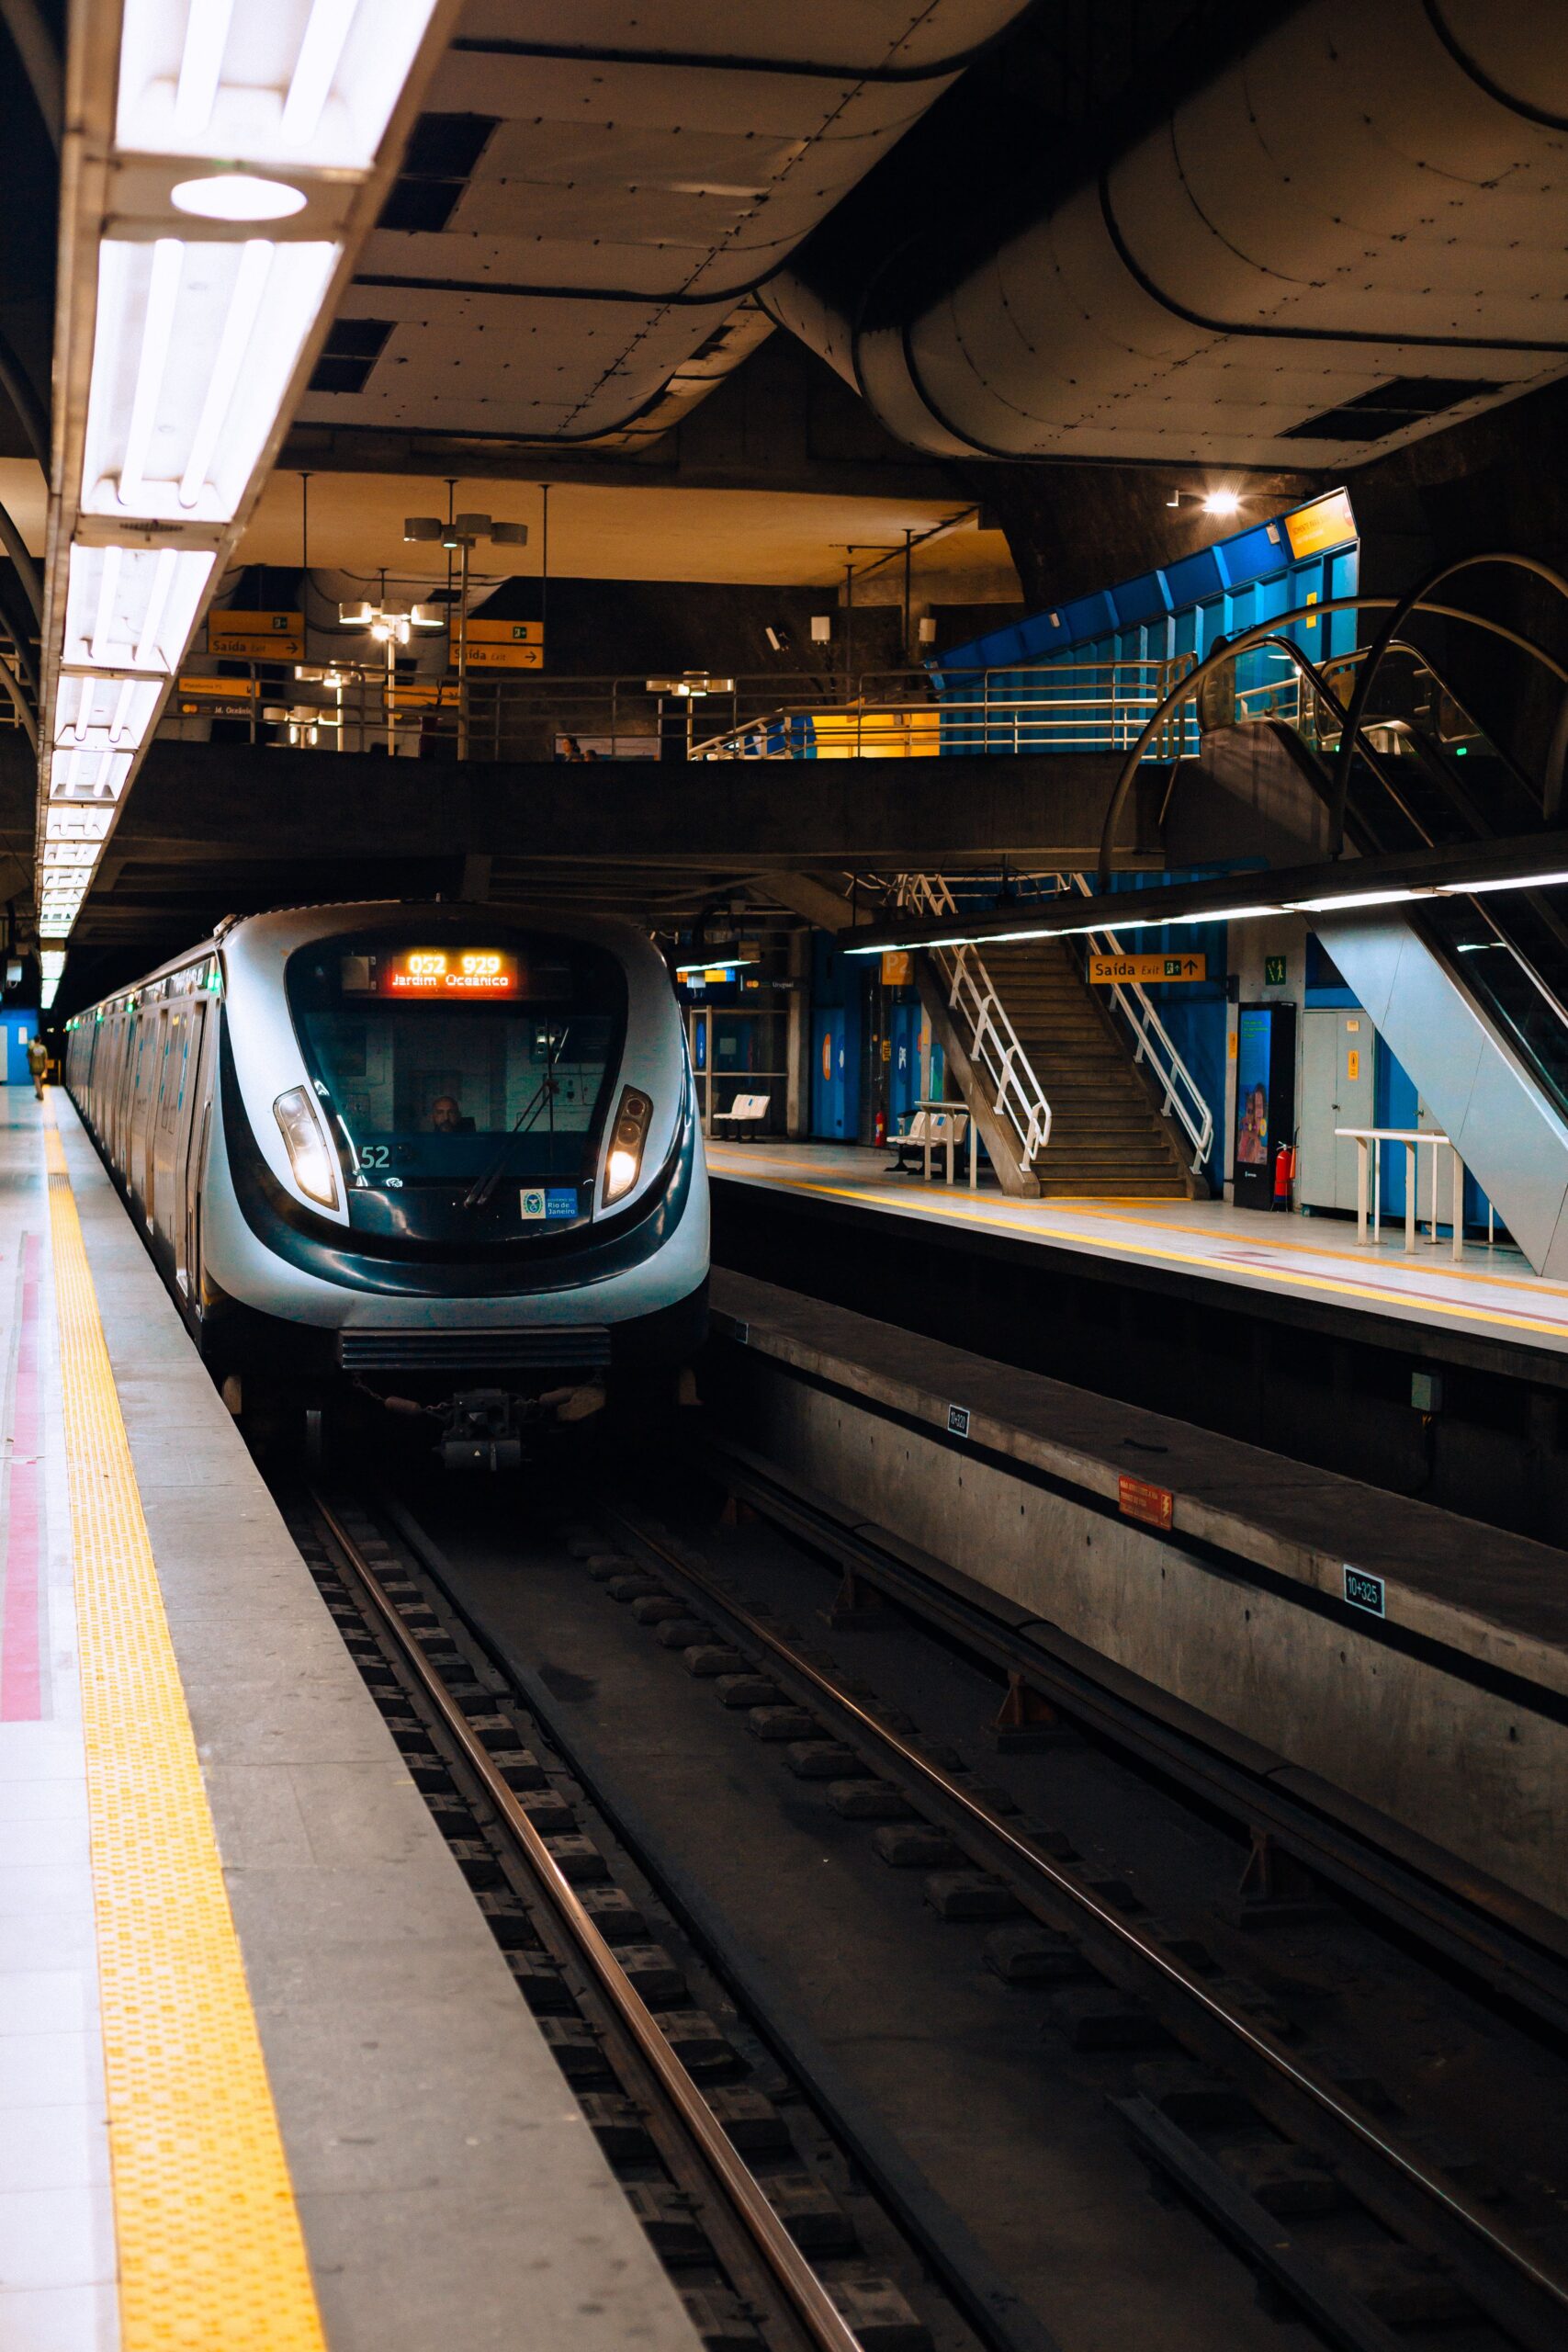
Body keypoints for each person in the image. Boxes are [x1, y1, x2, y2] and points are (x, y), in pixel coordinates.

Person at [26, 1033, 48, 1101]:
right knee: (40, 1081)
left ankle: (41, 1095)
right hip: (41, 1067)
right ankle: (39, 1094)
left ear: (34, 1040)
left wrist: (30, 1064)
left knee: (37, 1082)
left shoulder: (31, 1048)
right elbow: (45, 1059)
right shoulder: (43, 1048)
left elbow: (29, 1057)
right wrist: (46, 1069)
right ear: (40, 1040)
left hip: (34, 1067)